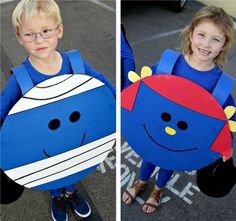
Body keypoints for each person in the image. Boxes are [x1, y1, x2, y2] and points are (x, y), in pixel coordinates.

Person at [0, 0, 115, 221]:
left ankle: (71, 192)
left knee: (71, 165)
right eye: (29, 34)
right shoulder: (21, 78)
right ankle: (56, 197)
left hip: (74, 134)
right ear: (18, 37)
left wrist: (122, 104)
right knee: (51, 169)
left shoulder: (75, 64)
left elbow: (101, 82)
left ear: (59, 30)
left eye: (45, 31)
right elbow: (2, 109)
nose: (39, 39)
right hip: (43, 141)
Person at [122, 5, 235, 214]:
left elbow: (228, 122)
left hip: (183, 138)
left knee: (170, 161)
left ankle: (157, 190)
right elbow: (142, 93)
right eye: (201, 34)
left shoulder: (220, 85)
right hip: (157, 126)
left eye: (215, 39)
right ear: (191, 34)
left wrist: (227, 146)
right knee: (149, 154)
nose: (206, 44)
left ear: (224, 45)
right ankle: (142, 182)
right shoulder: (167, 65)